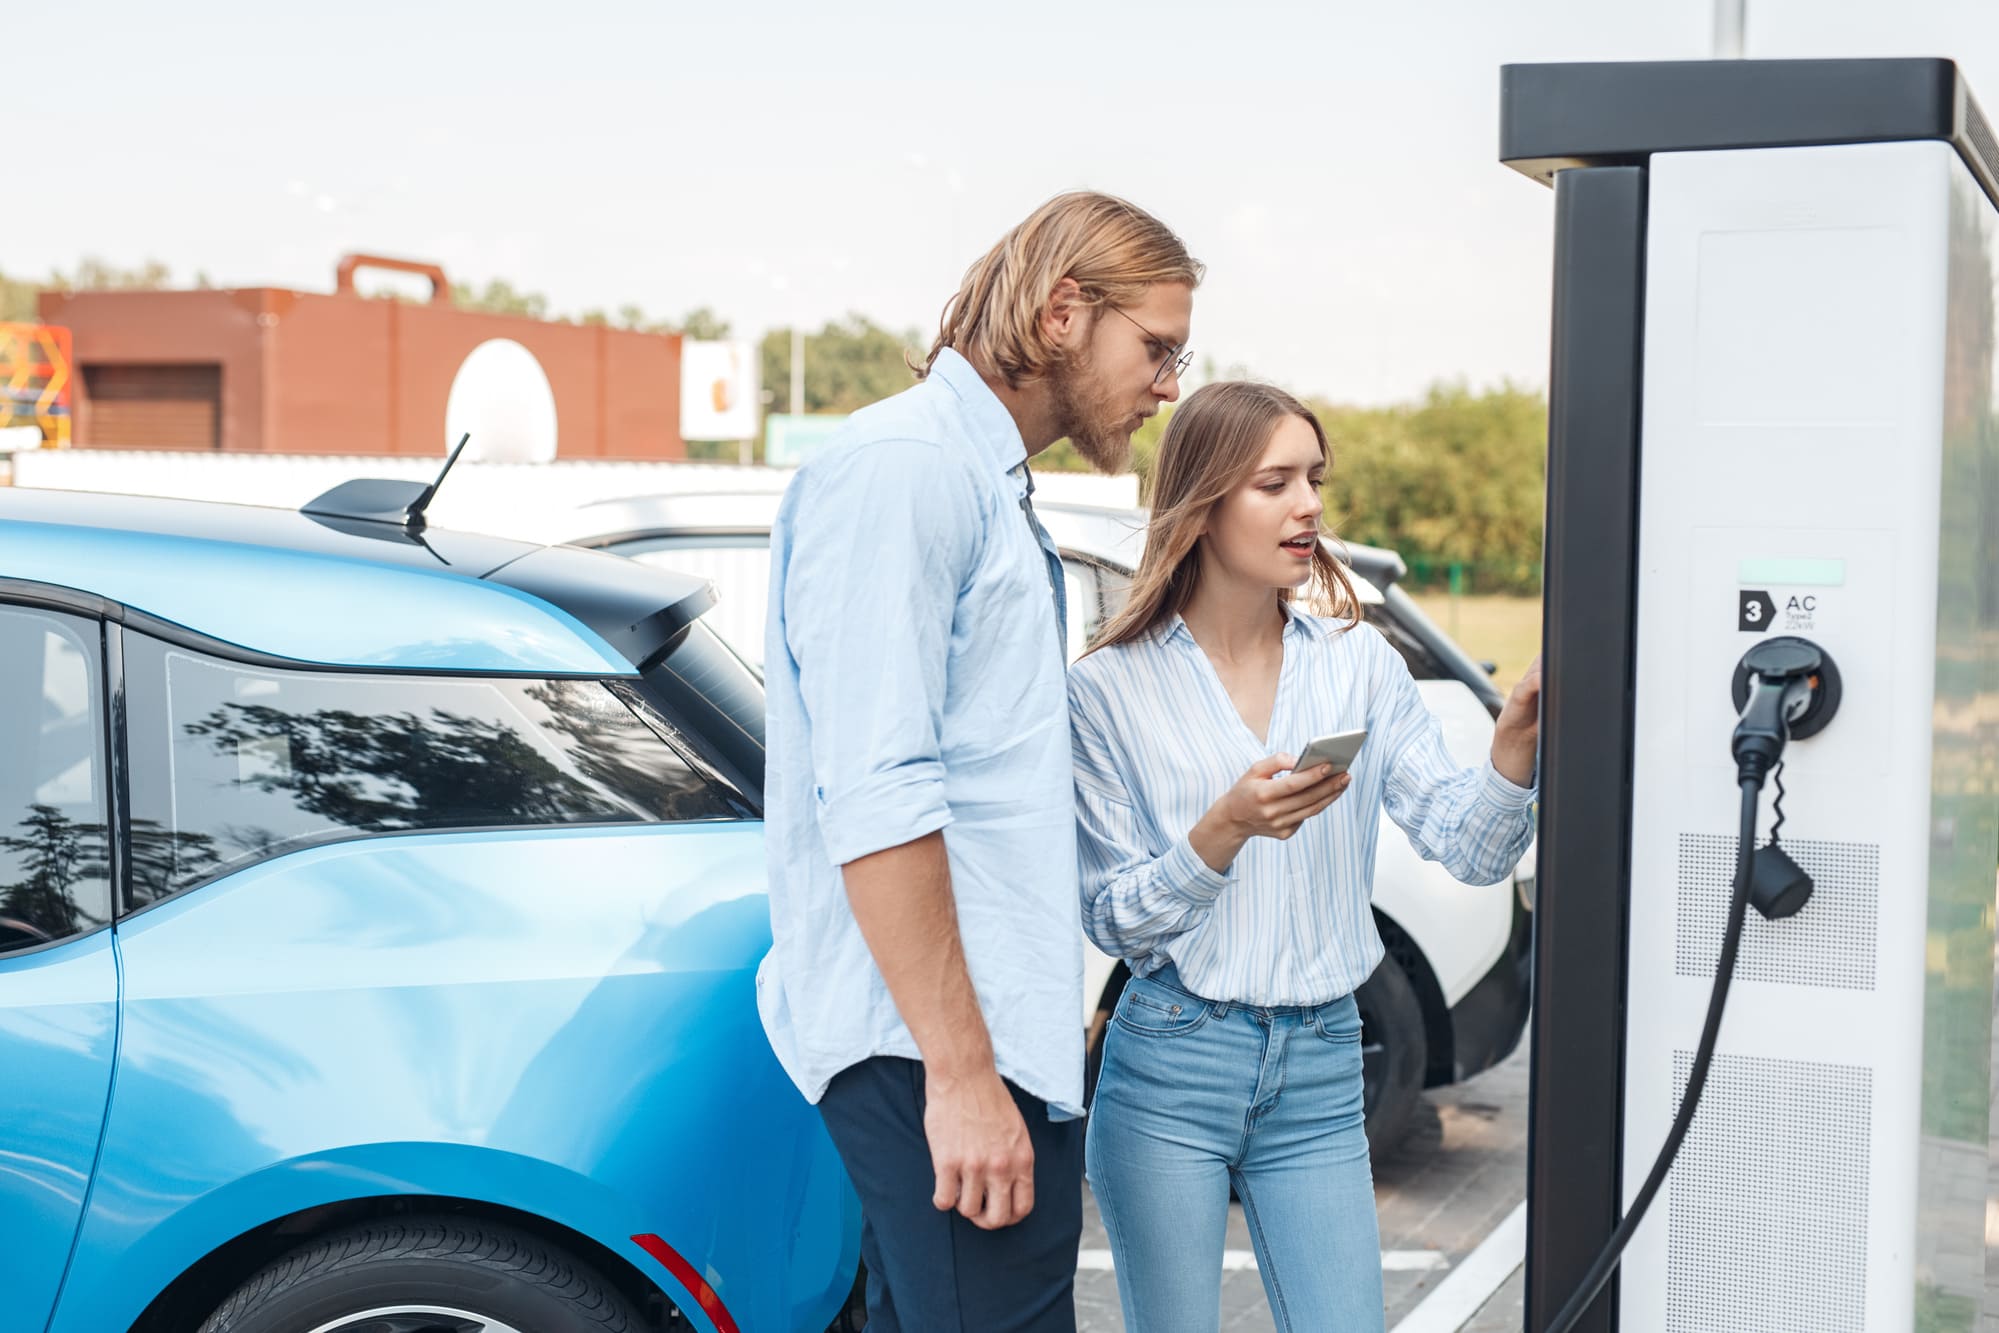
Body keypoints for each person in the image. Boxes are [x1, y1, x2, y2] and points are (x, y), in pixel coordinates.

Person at [758, 191, 1202, 1331]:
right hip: (933, 1058)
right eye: (1155, 349)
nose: (1168, 386)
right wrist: (962, 1077)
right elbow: (876, 792)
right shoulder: (903, 471)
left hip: (983, 1041)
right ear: (1062, 313)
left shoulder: (980, 481)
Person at [1068, 380, 1541, 1332]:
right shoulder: (1106, 689)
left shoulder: (1357, 663)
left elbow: (1470, 847)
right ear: (1202, 504)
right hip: (1170, 1061)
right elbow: (1114, 917)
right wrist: (1222, 831)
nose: (1309, 505)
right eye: (1274, 482)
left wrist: (1512, 752)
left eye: (1313, 478)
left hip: (1324, 1064)